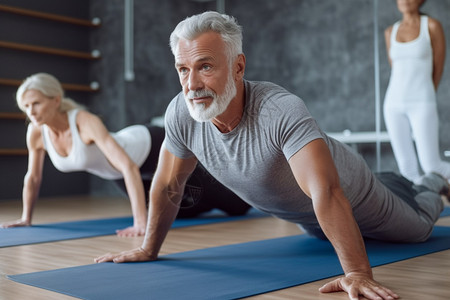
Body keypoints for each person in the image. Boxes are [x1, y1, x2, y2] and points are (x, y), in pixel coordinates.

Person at [95, 12, 446, 300]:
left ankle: (434, 181)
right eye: (183, 70)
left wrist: (356, 274)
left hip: (358, 194)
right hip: (309, 215)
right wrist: (148, 248)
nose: (191, 84)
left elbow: (327, 192)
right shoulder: (181, 114)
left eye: (205, 66)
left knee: (416, 228)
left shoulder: (279, 111)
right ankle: (399, 181)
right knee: (322, 234)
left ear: (238, 66)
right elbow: (169, 183)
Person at [0, 73, 250, 236]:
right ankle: (201, 200)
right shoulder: (35, 132)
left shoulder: (84, 122)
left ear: (55, 100)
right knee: (170, 208)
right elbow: (32, 178)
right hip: (119, 170)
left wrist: (140, 223)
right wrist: (25, 218)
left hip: (149, 145)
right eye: (26, 106)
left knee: (236, 207)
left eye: (36, 103)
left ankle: (242, 196)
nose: (30, 111)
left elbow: (128, 166)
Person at [383, 0, 449, 184]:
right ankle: (422, 210)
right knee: (408, 170)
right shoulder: (390, 32)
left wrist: (426, 93)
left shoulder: (432, 26)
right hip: (392, 104)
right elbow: (395, 69)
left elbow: (438, 68)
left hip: (422, 103)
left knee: (432, 166)